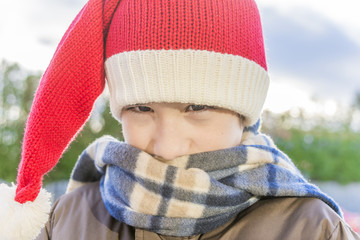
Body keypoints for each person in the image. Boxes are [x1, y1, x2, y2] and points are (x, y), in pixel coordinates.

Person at [0, 0, 359, 239]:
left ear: (244, 111)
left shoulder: (311, 228)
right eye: (142, 109)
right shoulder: (67, 218)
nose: (168, 146)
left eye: (196, 108)